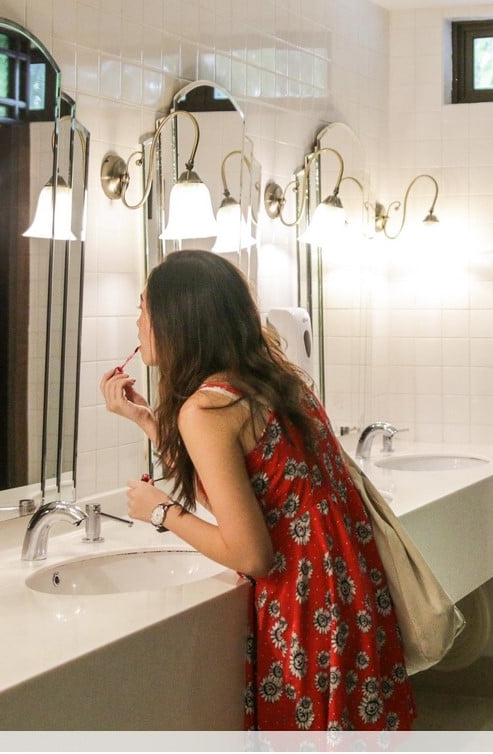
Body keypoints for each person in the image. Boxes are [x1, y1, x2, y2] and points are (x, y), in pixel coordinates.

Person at [100, 250, 417, 732]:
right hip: (349, 591)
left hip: (305, 606)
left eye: (144, 308)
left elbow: (252, 554)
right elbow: (243, 494)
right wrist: (146, 421)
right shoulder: (274, 381)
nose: (138, 321)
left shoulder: (204, 409)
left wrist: (162, 511)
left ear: (178, 318)